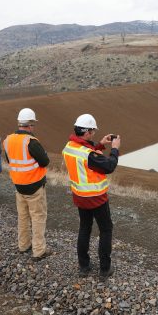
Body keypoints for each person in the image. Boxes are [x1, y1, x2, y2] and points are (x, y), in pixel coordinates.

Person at [62, 114, 120, 279]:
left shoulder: (69, 146)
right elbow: (109, 166)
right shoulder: (88, 155)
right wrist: (115, 148)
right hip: (96, 198)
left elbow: (86, 151)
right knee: (106, 230)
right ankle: (104, 269)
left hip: (80, 196)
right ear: (87, 132)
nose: (94, 134)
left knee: (84, 228)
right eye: (93, 131)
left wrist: (100, 145)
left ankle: (84, 266)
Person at [3, 108, 50, 261]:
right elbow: (45, 161)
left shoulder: (8, 140)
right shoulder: (31, 142)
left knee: (23, 217)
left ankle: (23, 245)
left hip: (18, 185)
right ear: (30, 125)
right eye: (33, 124)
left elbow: (10, 160)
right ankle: (39, 251)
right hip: (34, 186)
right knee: (38, 217)